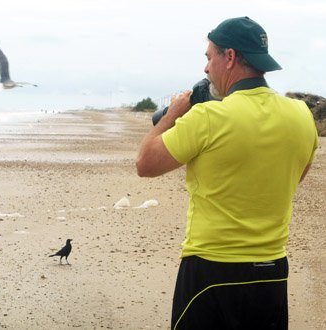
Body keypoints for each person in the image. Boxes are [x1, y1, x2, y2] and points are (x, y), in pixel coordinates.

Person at [136, 16, 318, 330]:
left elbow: (145, 164)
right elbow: (295, 176)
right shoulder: (301, 115)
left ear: (230, 57)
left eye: (209, 58)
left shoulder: (209, 117)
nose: (206, 68)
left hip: (211, 272)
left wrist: (173, 115)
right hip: (272, 273)